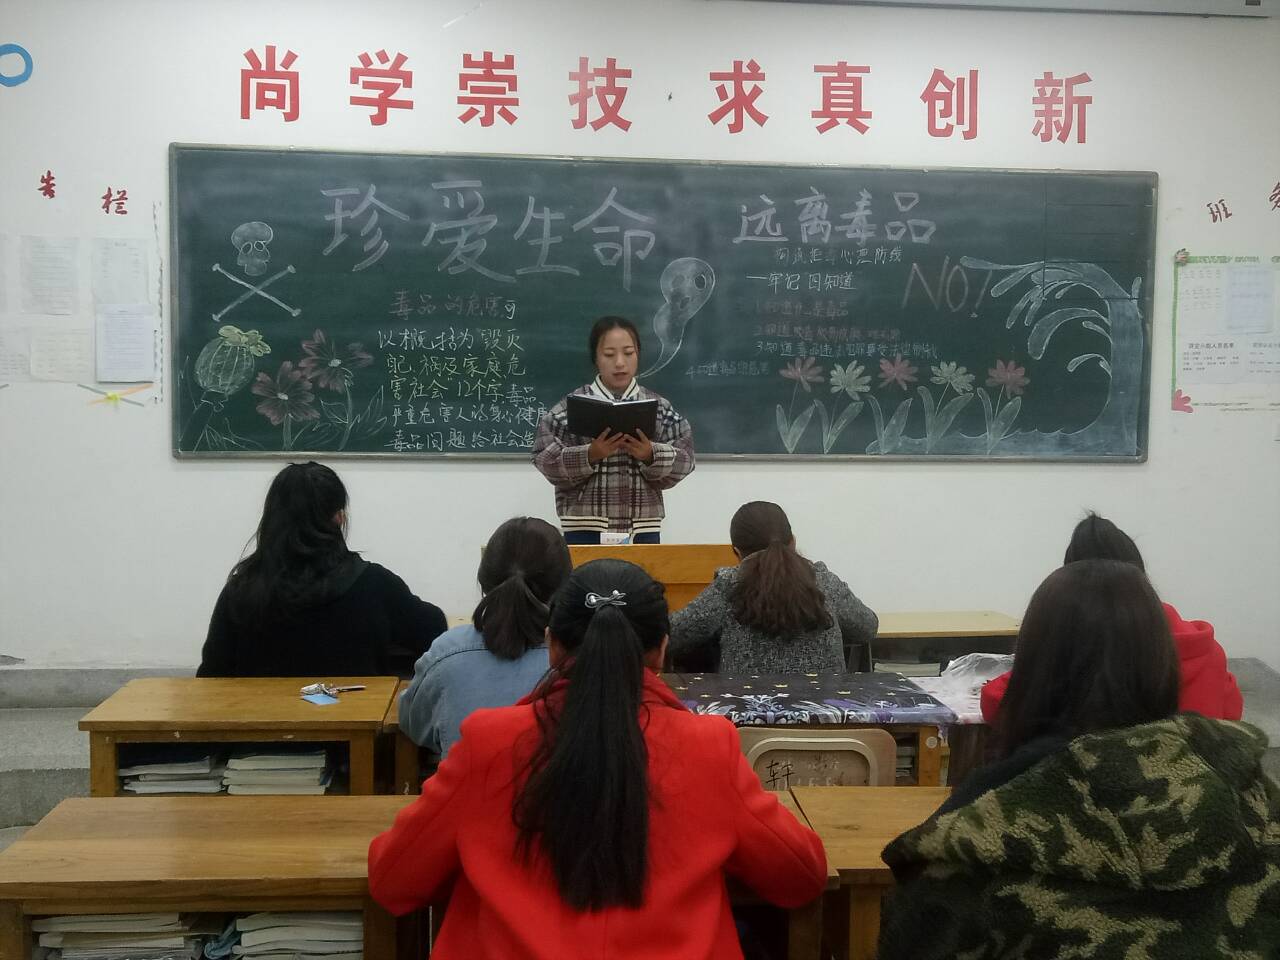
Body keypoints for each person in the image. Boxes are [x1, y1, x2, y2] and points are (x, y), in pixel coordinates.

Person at [368, 558, 827, 960]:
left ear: (551, 644)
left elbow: (394, 881)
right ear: (662, 650)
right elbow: (799, 877)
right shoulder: (709, 745)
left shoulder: (489, 742)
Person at [878, 560, 1279, 960]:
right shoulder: (1251, 793)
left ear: (1032, 664)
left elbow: (914, 933)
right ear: (1161, 660)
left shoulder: (980, 823)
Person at [980, 511, 1242, 722]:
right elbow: (1231, 711)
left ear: (1071, 580)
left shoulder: (1075, 642)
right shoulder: (1205, 647)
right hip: (1196, 769)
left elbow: (1003, 704)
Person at [198, 461, 446, 678]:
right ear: (339, 517)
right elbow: (434, 631)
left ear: (272, 517)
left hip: (259, 718)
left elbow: (211, 675)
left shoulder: (240, 590)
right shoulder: (374, 584)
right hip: (357, 717)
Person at [398, 517, 570, 759]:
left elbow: (413, 724)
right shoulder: (582, 658)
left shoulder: (446, 653)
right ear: (566, 585)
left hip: (468, 781)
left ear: (483, 579)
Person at [532, 316, 695, 543]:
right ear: (596, 358)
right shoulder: (570, 408)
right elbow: (544, 459)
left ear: (638, 354)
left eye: (628, 353)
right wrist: (590, 454)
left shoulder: (659, 407)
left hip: (642, 527)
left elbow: (686, 459)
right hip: (584, 526)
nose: (620, 363)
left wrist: (651, 454)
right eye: (609, 354)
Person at [669, 501, 878, 673]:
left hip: (747, 711)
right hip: (824, 710)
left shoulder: (729, 586)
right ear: (793, 542)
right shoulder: (823, 580)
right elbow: (867, 628)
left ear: (737, 553)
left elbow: (672, 635)